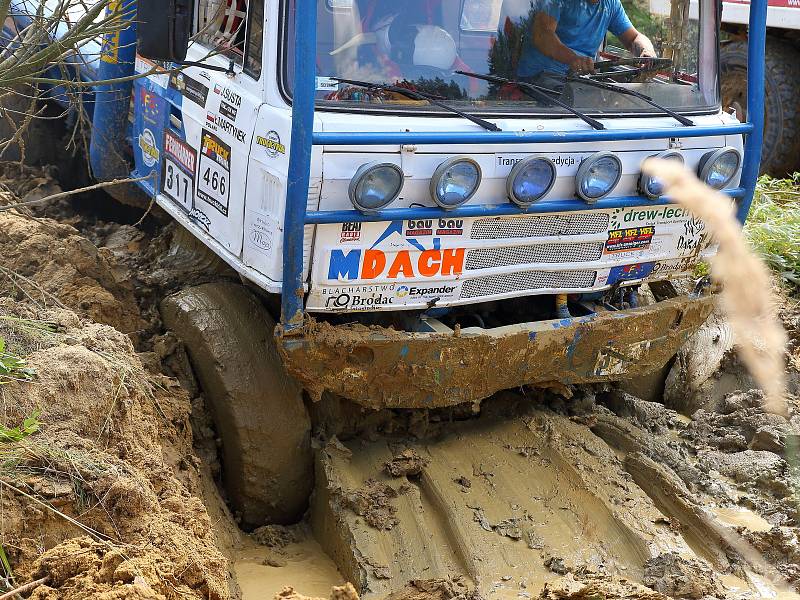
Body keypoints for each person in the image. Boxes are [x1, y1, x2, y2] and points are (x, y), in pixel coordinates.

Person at [517, 0, 656, 79]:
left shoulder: (611, 4)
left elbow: (634, 38)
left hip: (577, 80)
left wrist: (647, 51)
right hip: (537, 80)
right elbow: (542, 35)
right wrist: (574, 59)